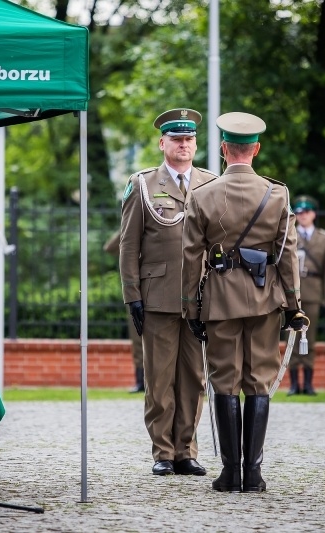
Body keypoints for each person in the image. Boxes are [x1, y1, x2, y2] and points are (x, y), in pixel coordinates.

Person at [181, 112, 306, 493]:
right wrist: (293, 305)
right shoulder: (277, 195)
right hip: (266, 299)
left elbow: (190, 257)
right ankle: (253, 474)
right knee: (259, 381)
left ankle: (229, 473)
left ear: (223, 149)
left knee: (224, 381)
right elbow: (287, 255)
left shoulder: (202, 195)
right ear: (256, 149)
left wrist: (191, 307)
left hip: (220, 300)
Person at [119, 108, 217, 476]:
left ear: (195, 144)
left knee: (193, 379)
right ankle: (162, 452)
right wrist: (133, 295)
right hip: (158, 295)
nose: (183, 144)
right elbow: (129, 245)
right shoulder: (144, 184)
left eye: (189, 139)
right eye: (176, 139)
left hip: (201, 298)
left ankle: (186, 451)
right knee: (159, 380)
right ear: (163, 143)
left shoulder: (210, 183)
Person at [289, 195, 325, 396]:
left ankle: (308, 384)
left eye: (306, 212)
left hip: (314, 294)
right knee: (292, 338)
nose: (302, 215)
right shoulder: (289, 235)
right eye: (299, 212)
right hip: (293, 295)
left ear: (314, 214)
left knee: (310, 338)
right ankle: (293, 384)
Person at [103, 230, 144, 393]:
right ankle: (141, 381)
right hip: (135, 291)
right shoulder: (130, 231)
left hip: (159, 287)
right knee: (137, 338)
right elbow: (109, 248)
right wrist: (127, 225)